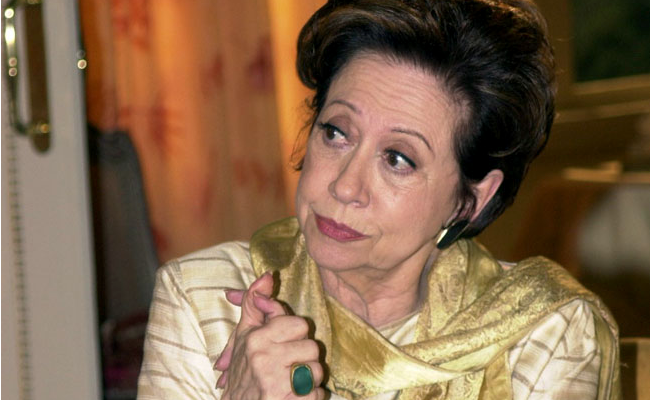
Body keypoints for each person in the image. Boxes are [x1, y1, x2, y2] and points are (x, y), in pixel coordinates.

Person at [137, 0, 621, 399]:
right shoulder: (202, 300)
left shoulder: (543, 332)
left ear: (470, 200)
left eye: (398, 159)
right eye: (336, 132)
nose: (345, 186)